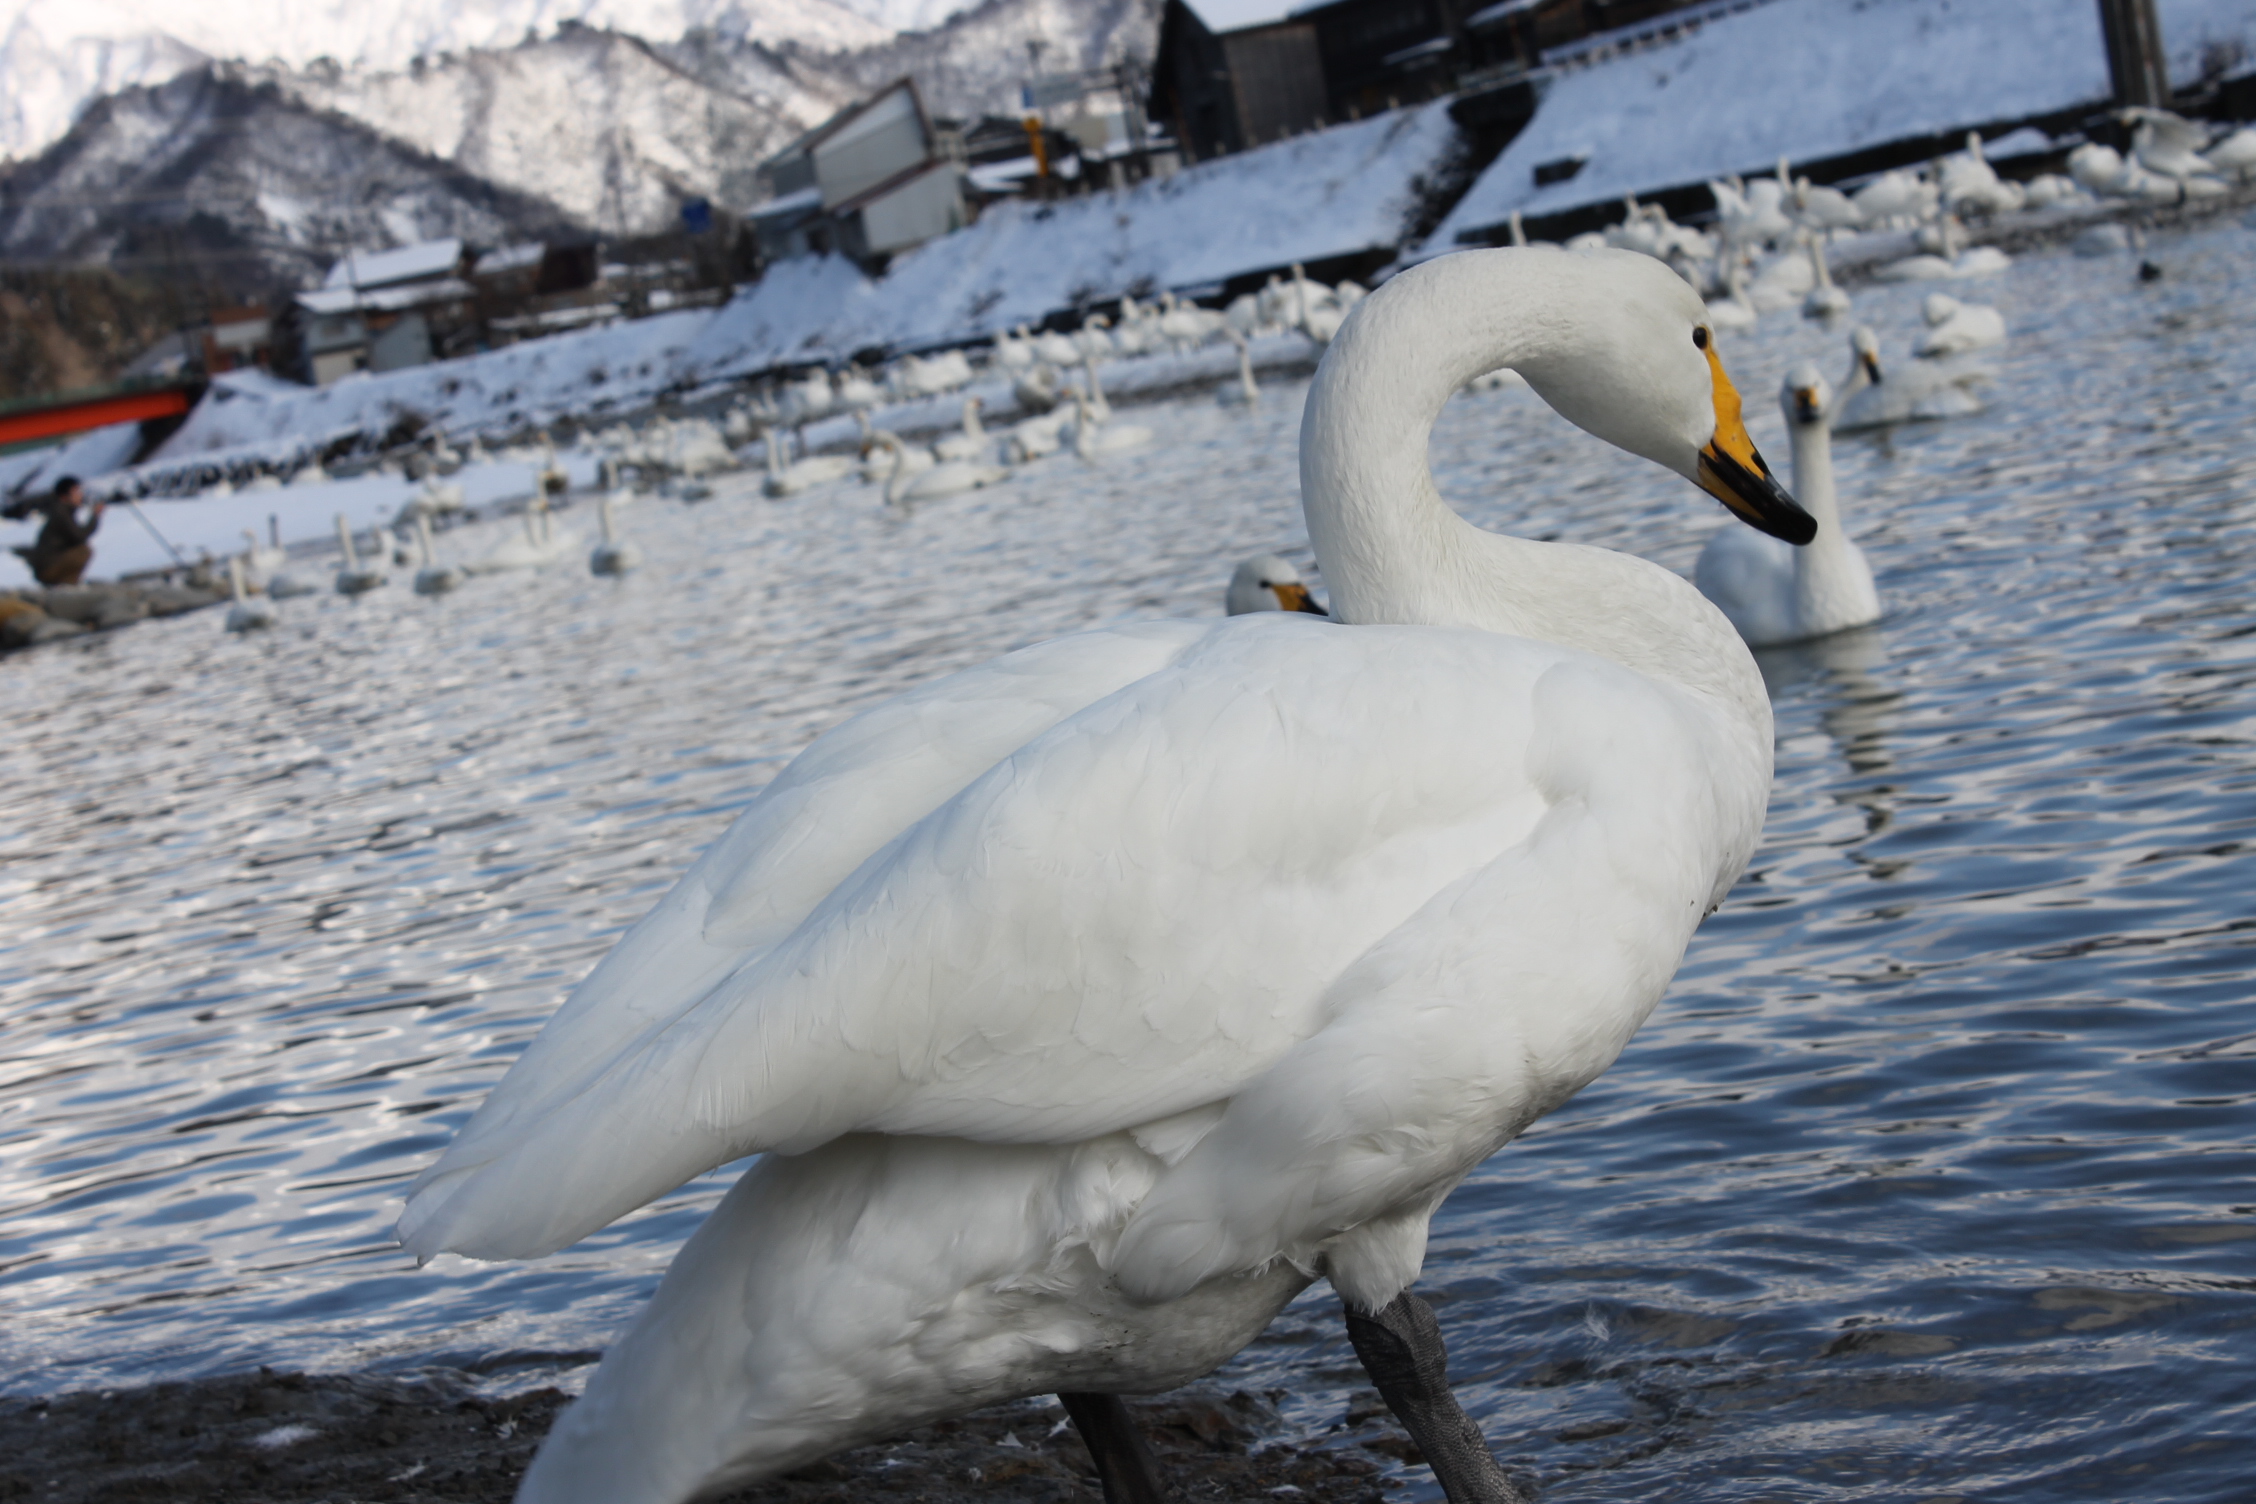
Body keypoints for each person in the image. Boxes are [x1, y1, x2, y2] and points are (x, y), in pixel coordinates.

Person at [5, 476, 104, 586]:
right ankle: (65, 583)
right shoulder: (61, 513)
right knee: (83, 551)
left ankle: (68, 583)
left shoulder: (62, 511)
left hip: (47, 564)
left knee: (81, 549)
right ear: (64, 496)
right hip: (47, 567)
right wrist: (95, 516)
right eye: (76, 491)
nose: (80, 495)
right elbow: (79, 536)